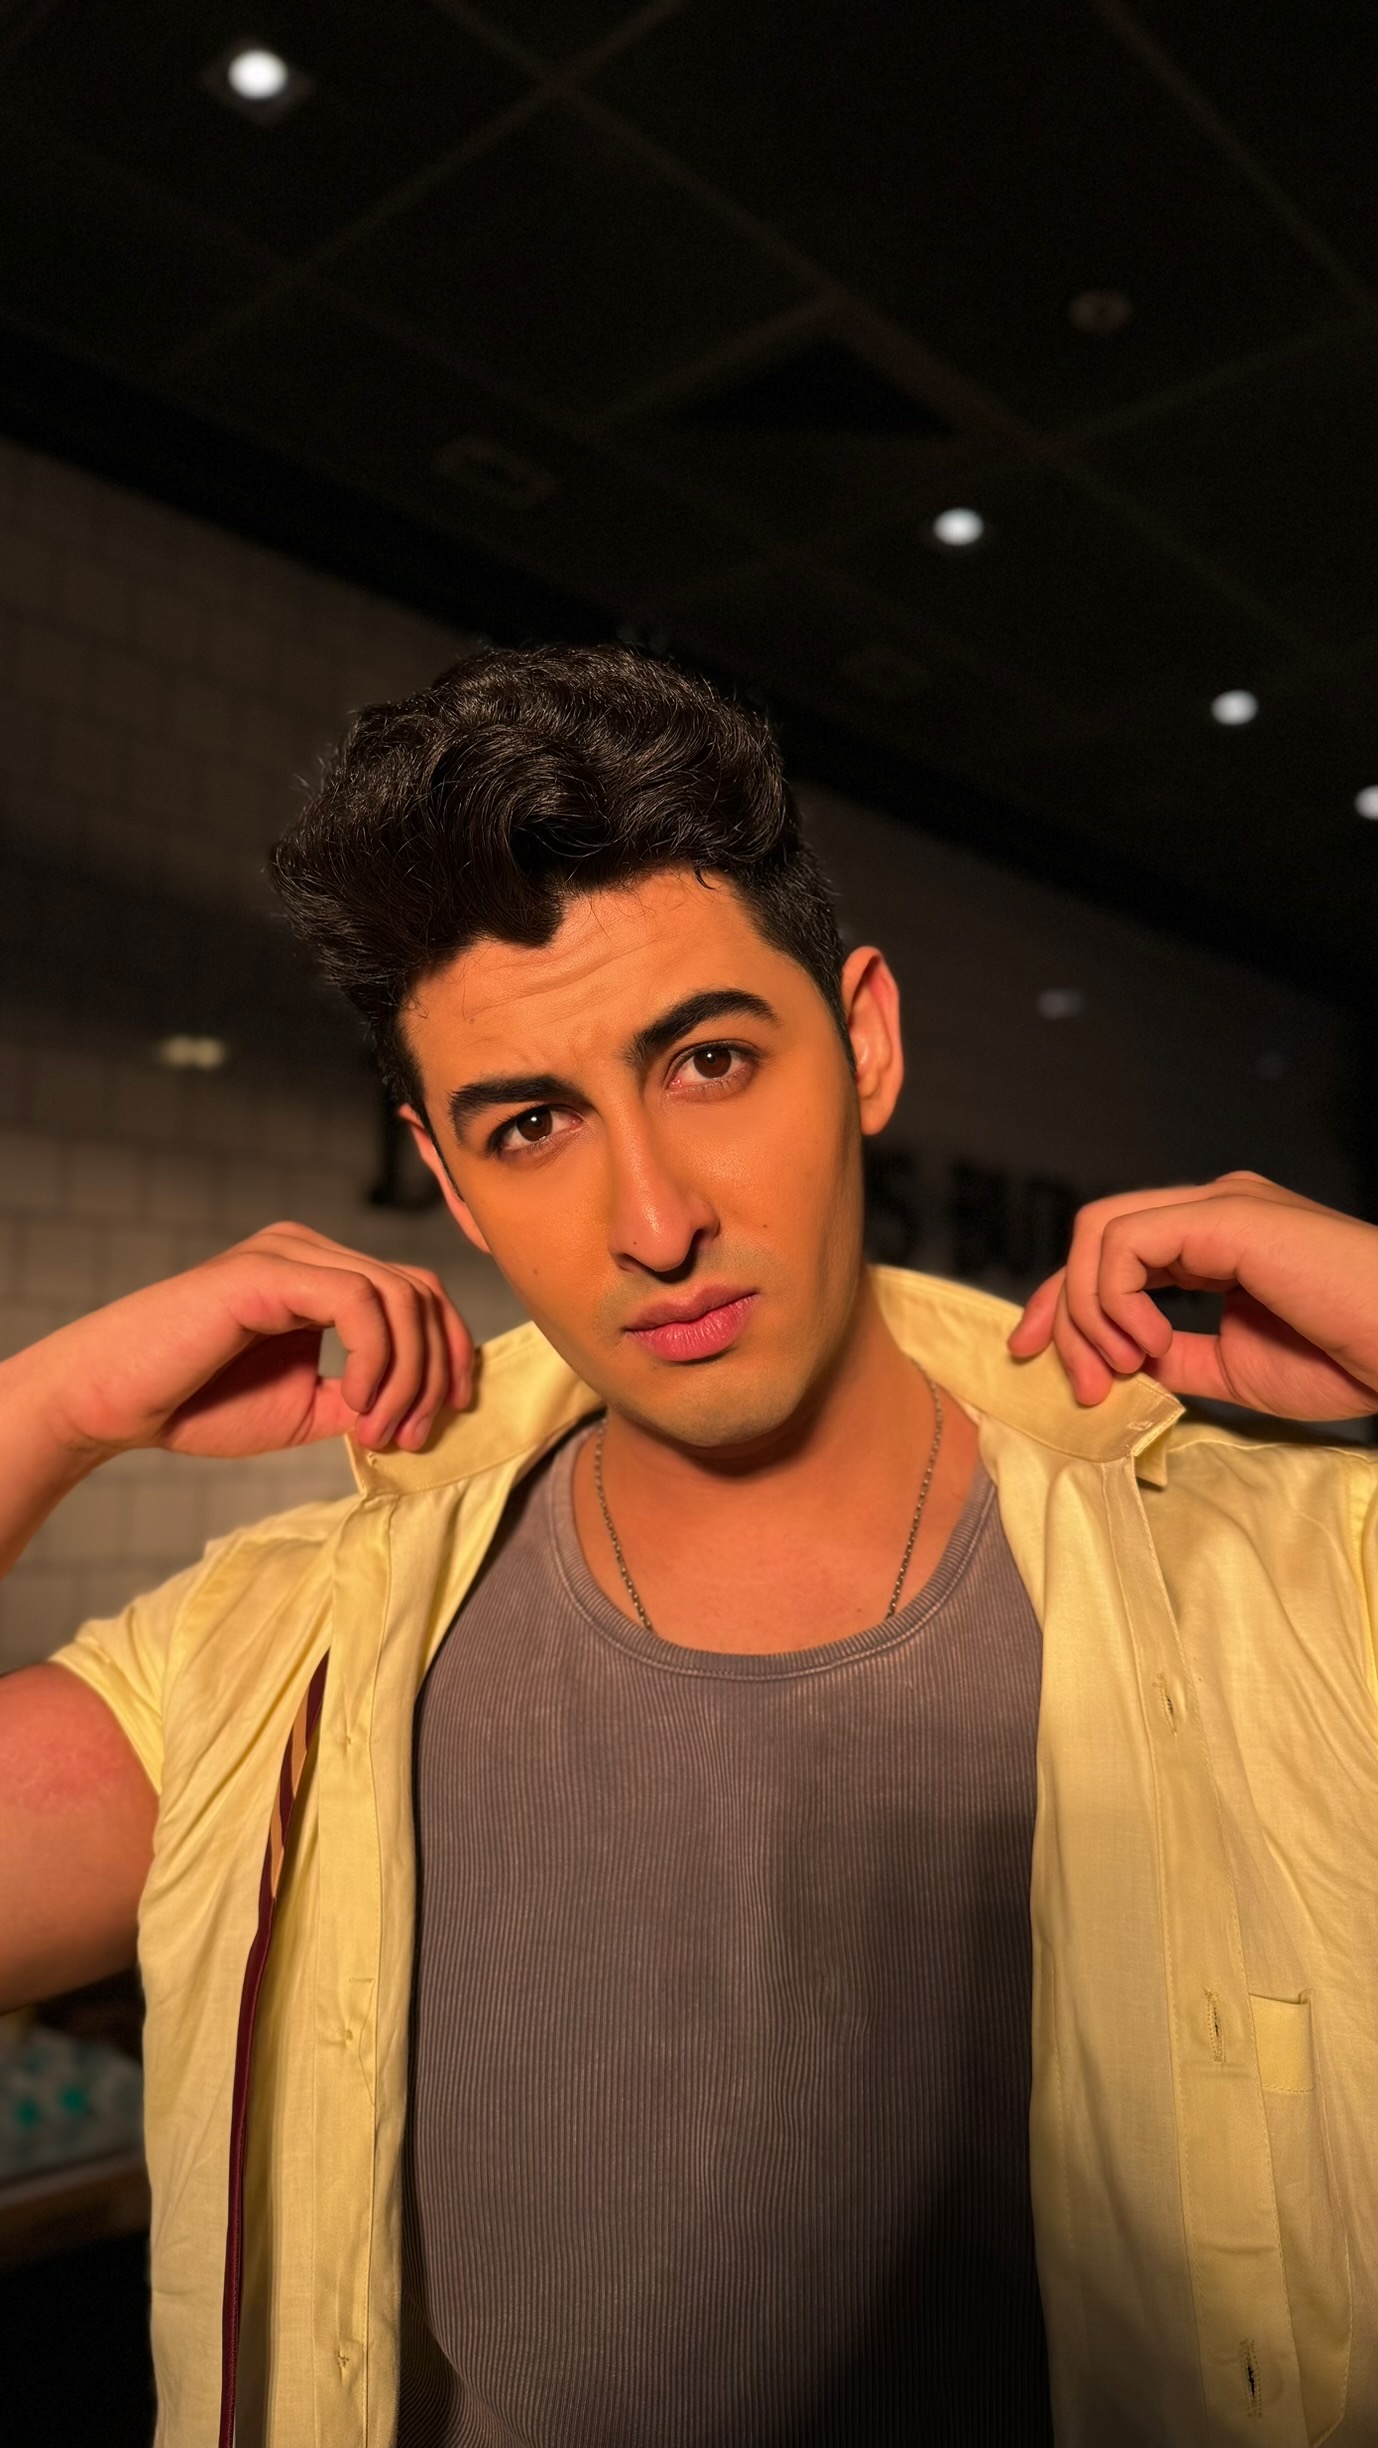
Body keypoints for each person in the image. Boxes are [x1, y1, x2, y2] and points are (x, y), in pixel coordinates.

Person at [1, 645, 1376, 2448]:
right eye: (532, 1123)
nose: (652, 1220)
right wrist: (47, 1407)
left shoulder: (1293, 1580)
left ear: (863, 1041)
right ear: (448, 1174)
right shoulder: (284, 1654)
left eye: (710, 1060)